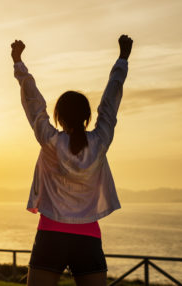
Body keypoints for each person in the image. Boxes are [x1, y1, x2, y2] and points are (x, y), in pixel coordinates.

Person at [11, 34, 133, 286]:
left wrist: (18, 63)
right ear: (87, 116)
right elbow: (110, 102)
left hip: (50, 235)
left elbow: (33, 103)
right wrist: (122, 59)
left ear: (58, 116)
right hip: (87, 238)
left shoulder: (50, 140)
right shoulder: (99, 142)